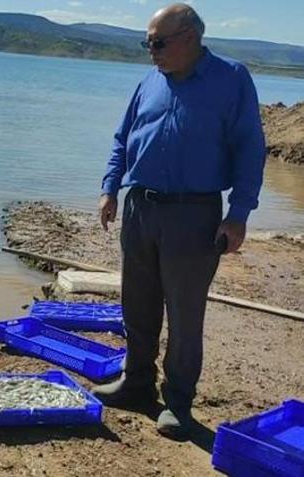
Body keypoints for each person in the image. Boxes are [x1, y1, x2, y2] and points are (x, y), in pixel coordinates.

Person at [93, 3, 266, 439]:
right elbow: (123, 137)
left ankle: (178, 403)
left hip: (194, 212)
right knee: (138, 304)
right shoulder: (150, 80)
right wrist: (109, 188)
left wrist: (239, 215)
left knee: (185, 315)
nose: (150, 51)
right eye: (148, 43)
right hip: (140, 208)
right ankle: (136, 384)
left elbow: (250, 148)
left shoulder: (231, 79)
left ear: (189, 37)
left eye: (157, 42)